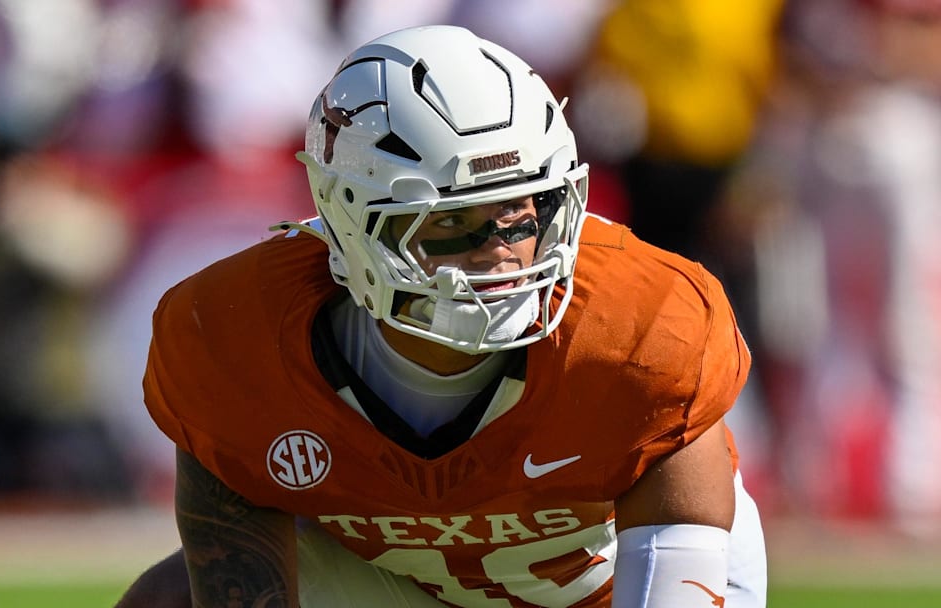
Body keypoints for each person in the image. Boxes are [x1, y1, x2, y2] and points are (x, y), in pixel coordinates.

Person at [115, 24, 767, 608]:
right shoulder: (237, 339)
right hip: (407, 586)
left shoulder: (636, 328)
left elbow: (674, 567)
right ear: (349, 221)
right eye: (452, 223)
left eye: (522, 213)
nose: (502, 254)